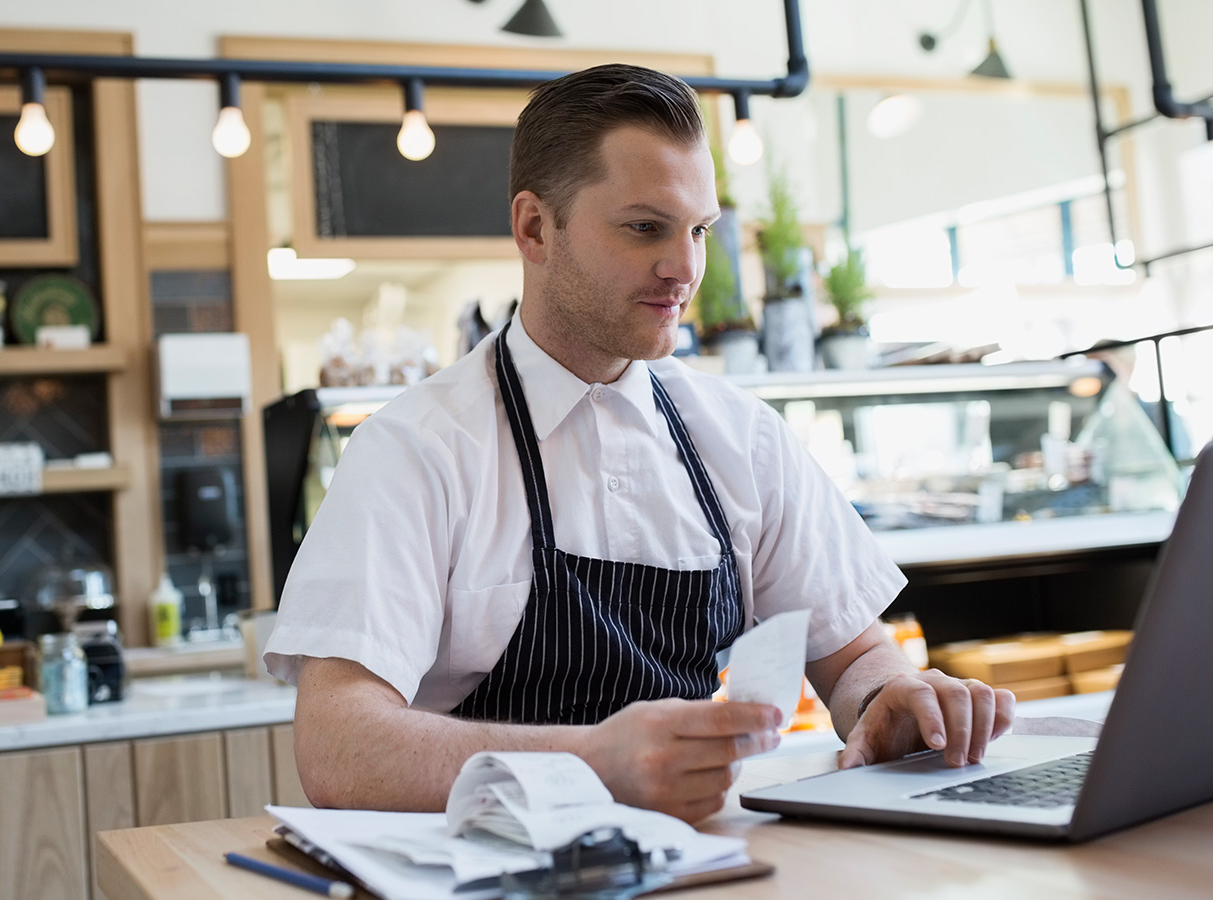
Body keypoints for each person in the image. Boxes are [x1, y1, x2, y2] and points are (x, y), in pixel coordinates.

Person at [264, 64, 1015, 822]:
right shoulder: (417, 450)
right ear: (534, 229)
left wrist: (893, 697)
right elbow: (337, 748)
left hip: (705, 861)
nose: (685, 268)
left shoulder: (741, 438)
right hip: (492, 868)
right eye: (644, 227)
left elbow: (854, 656)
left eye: (699, 231)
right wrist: (593, 765)